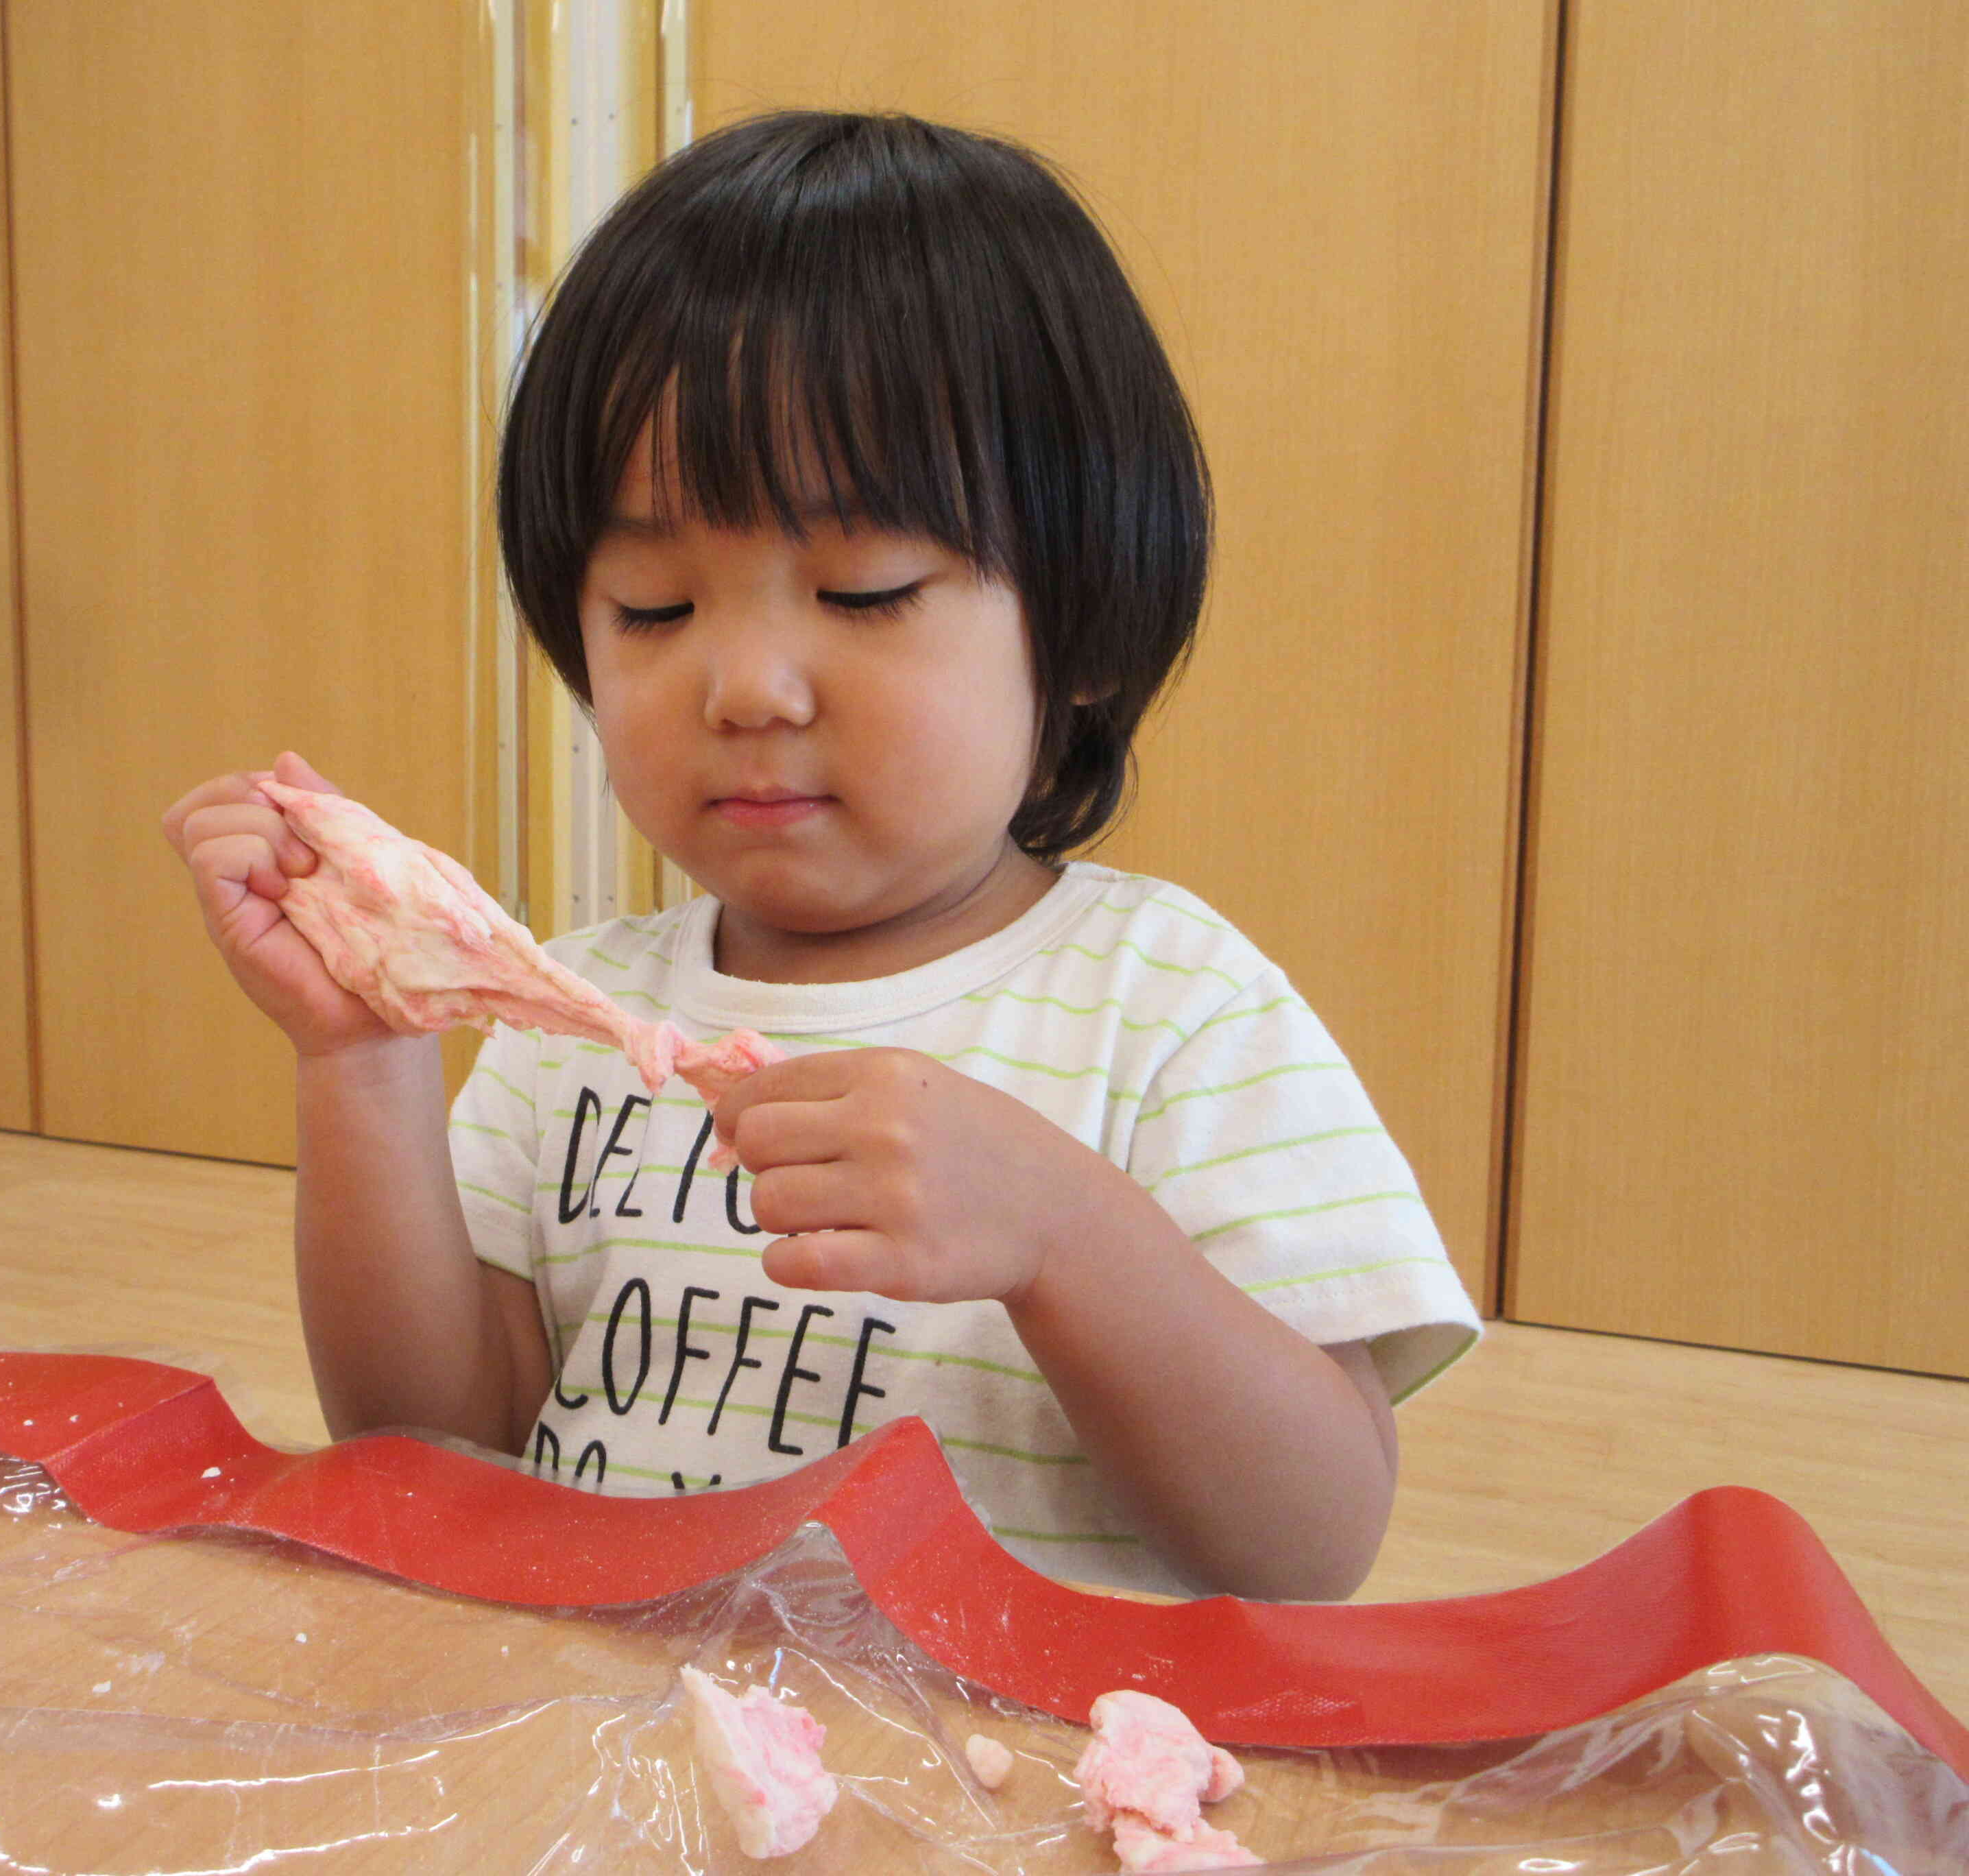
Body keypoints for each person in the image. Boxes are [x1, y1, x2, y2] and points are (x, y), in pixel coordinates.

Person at [162, 110, 1479, 1602]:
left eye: (863, 589)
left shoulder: (1172, 1009)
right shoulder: (568, 1014)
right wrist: (363, 1063)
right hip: (608, 1762)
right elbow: (433, 1441)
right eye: (655, 608)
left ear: (1087, 629)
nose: (747, 688)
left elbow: (1309, 1546)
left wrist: (1063, 1235)